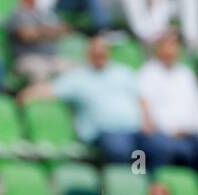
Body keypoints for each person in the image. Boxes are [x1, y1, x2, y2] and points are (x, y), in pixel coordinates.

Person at [27, 34, 144, 164]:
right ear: (87, 54)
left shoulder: (124, 72)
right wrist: (26, 95)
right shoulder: (77, 77)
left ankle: (144, 176)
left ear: (109, 53)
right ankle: (130, 178)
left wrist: (148, 121)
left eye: (102, 51)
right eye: (95, 52)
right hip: (105, 133)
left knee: (160, 146)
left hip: (135, 130)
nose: (99, 55)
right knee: (121, 150)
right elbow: (50, 90)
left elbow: (141, 98)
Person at [138, 30, 198, 173]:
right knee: (162, 149)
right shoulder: (148, 72)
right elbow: (144, 103)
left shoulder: (186, 74)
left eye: (173, 46)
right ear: (159, 48)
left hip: (190, 135)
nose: (170, 50)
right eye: (166, 46)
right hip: (162, 135)